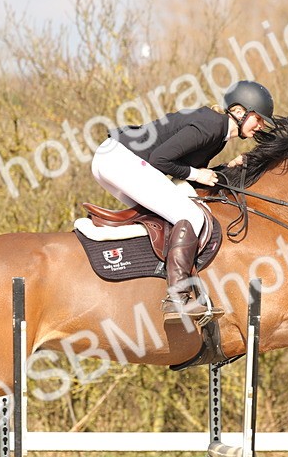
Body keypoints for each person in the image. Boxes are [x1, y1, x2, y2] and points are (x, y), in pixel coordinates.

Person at [91, 80, 274, 325]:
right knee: (192, 217)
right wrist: (198, 174)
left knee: (165, 214)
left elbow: (190, 172)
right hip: (121, 160)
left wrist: (226, 169)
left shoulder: (218, 134)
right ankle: (177, 299)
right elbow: (161, 160)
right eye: (258, 119)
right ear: (239, 112)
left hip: (115, 159)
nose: (260, 126)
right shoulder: (211, 126)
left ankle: (145, 279)